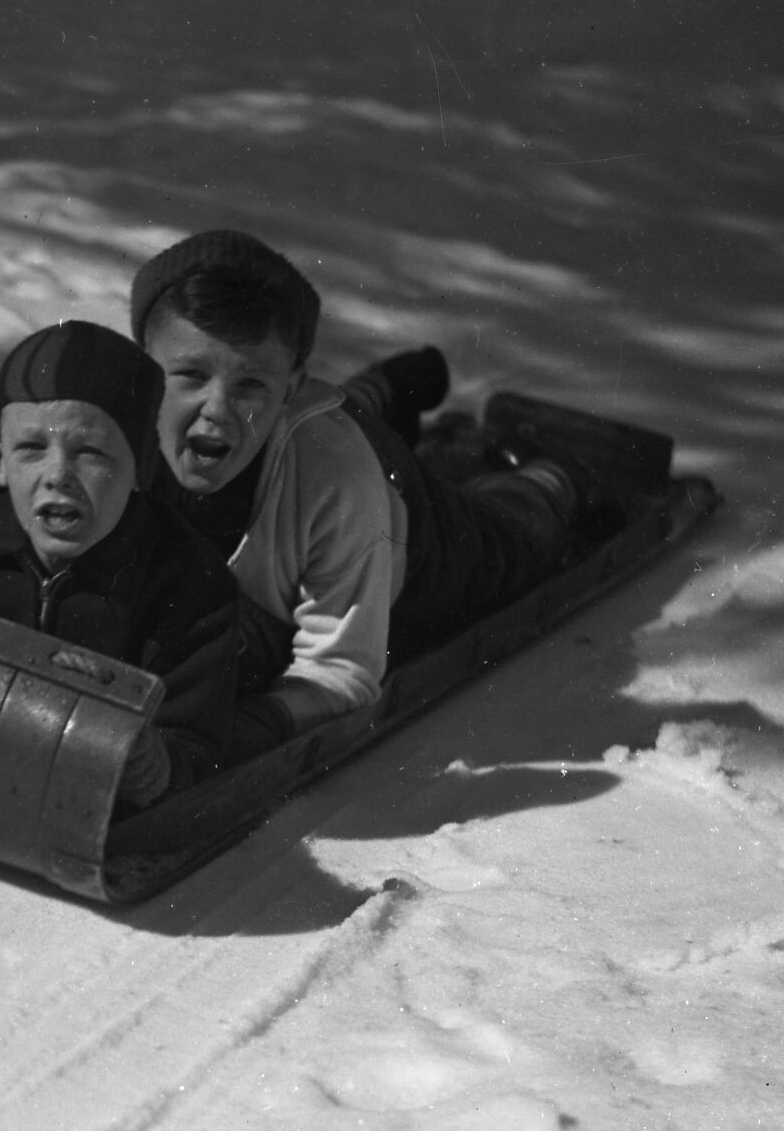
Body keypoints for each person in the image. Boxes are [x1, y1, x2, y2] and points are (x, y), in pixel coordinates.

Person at [129, 229, 600, 760]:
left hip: (410, 532)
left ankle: (549, 476)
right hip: (307, 434)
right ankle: (384, 389)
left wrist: (238, 732)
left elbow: (342, 672)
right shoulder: (108, 436)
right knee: (309, 417)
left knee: (512, 546)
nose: (216, 407)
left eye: (250, 385)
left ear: (290, 388)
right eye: (189, 373)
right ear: (141, 367)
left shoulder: (337, 479)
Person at [0, 319, 293, 810]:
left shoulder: (194, 589)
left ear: (140, 470)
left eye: (91, 452)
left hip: (255, 640)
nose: (57, 474)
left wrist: (150, 763)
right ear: (0, 460)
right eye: (31, 448)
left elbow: (197, 754)